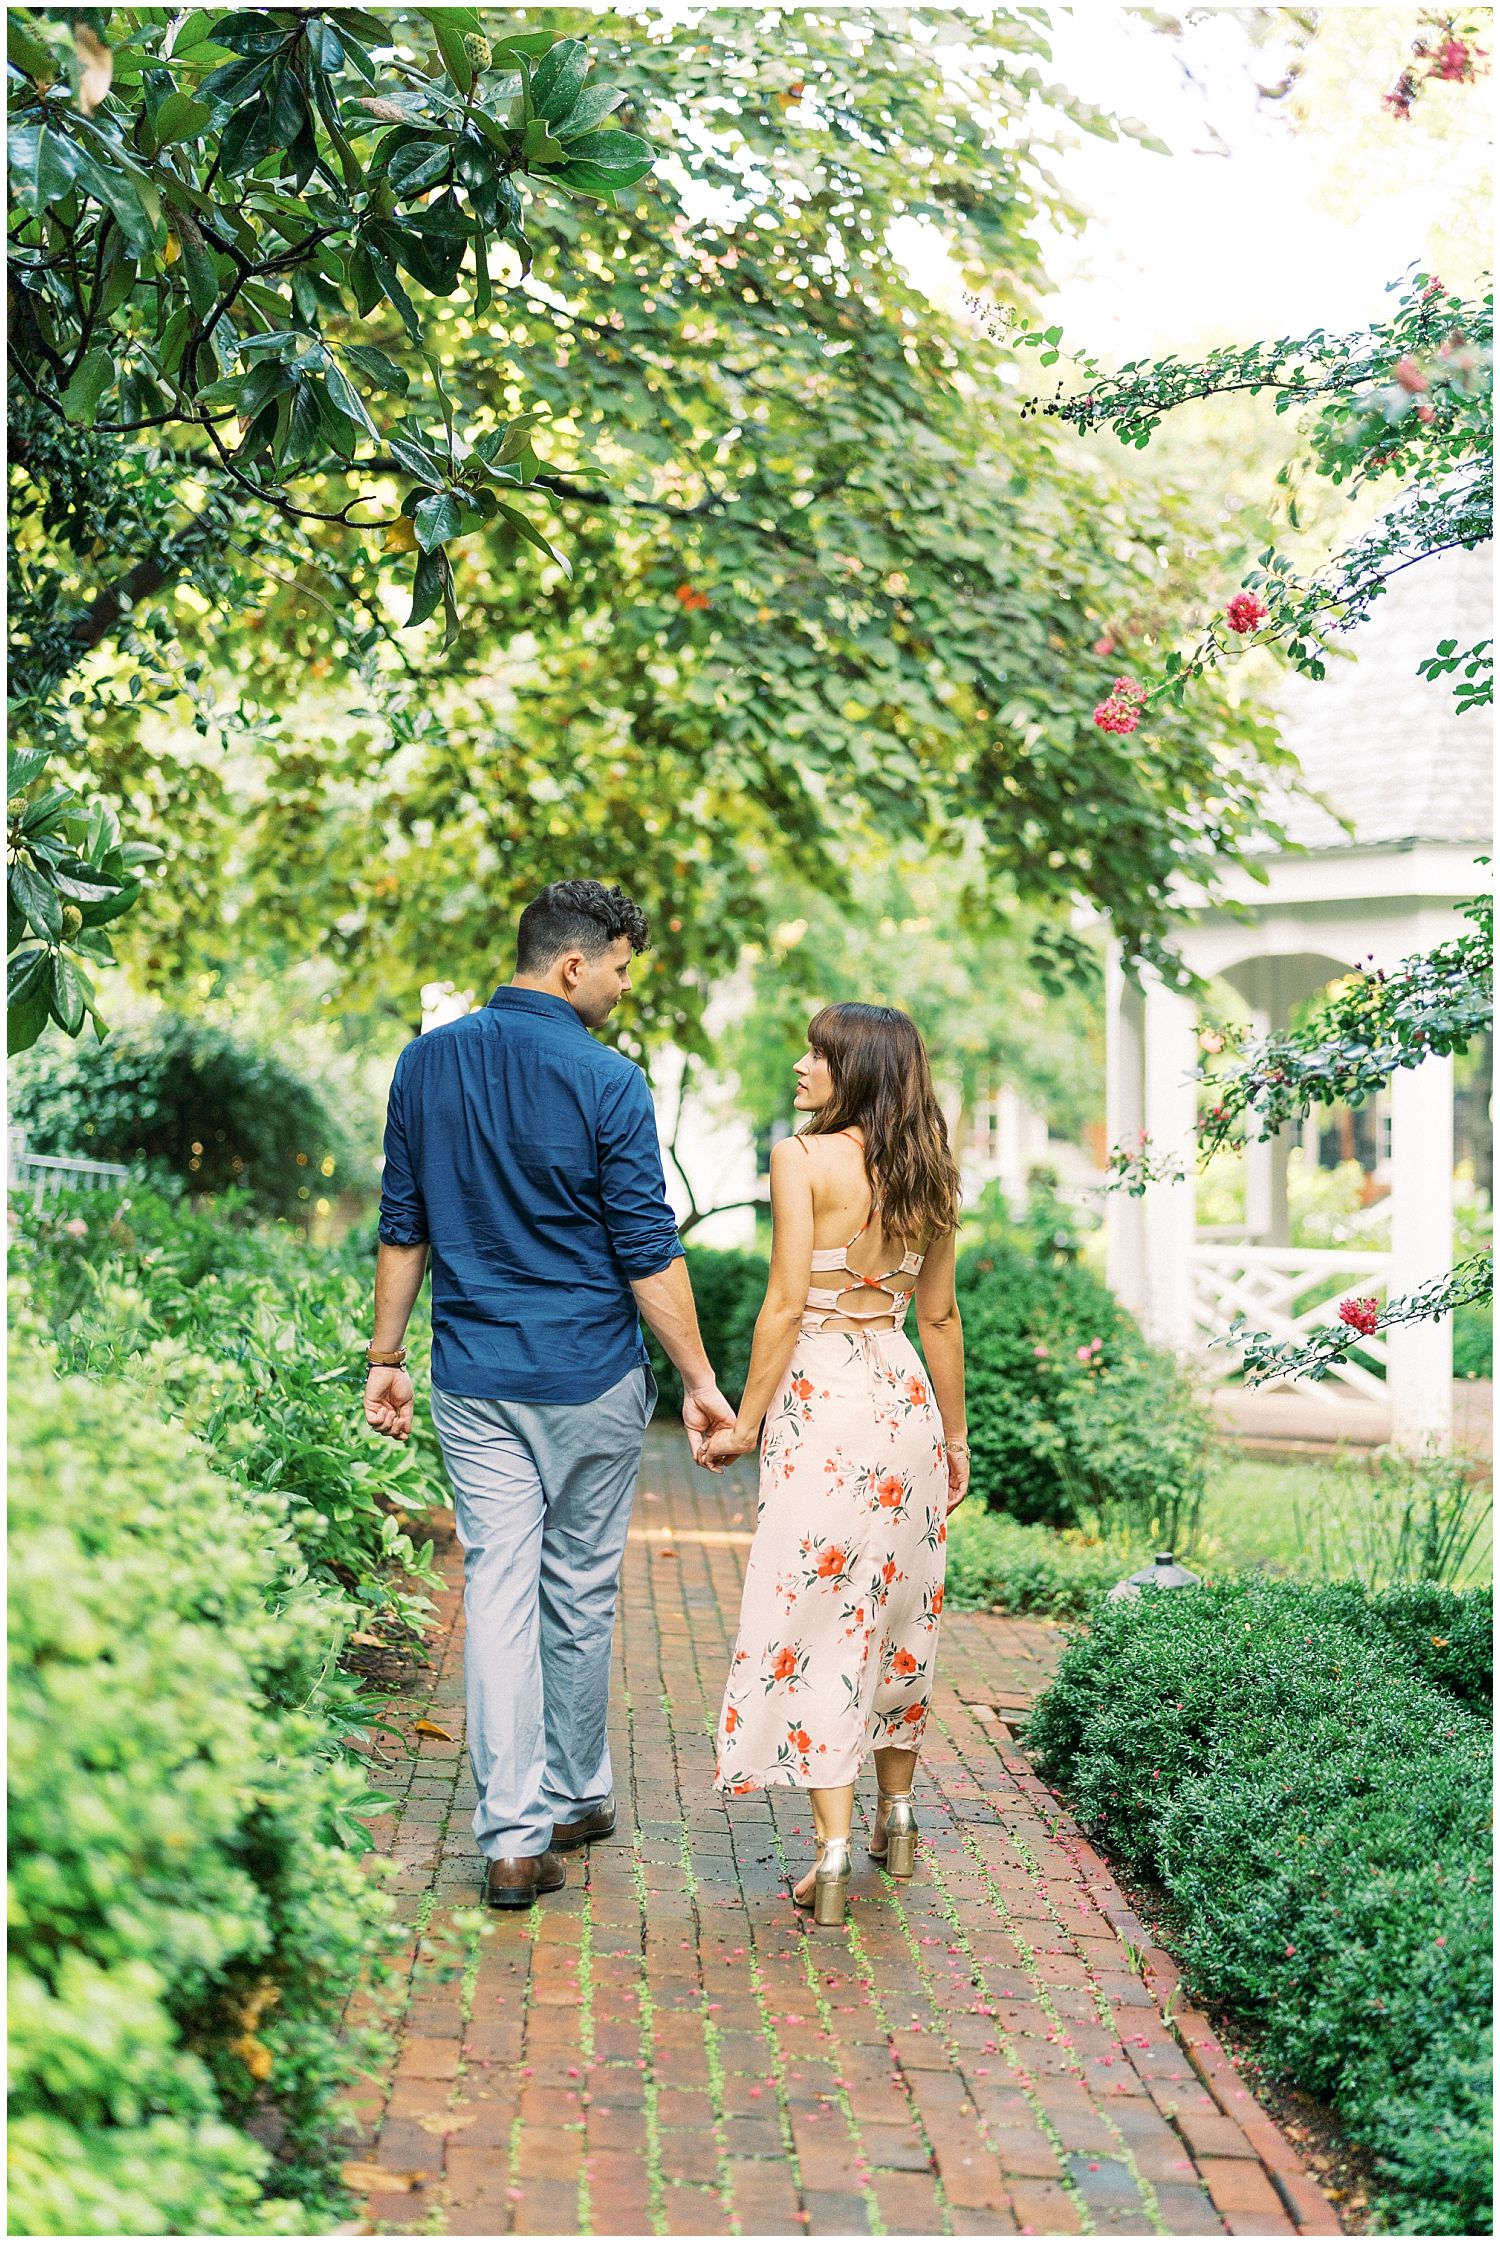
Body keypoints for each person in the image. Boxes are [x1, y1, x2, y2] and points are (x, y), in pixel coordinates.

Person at [363, 879, 734, 1909]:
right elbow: (646, 1251)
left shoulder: (425, 1061)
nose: (621, 986)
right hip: (590, 1377)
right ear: (574, 964)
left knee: (496, 1590)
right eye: (619, 968)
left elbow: (405, 1221)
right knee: (578, 1586)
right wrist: (702, 1382)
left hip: (476, 1378)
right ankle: (575, 1795)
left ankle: (513, 1839)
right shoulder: (608, 1079)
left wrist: (385, 1356)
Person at [704, 1002, 968, 1926]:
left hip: (824, 1402)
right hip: (904, 1405)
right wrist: (958, 1438)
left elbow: (784, 1303)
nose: (802, 1064)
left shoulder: (802, 1159)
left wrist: (743, 1422)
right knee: (900, 1608)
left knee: (819, 1610)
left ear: (856, 1069)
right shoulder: (931, 1173)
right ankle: (897, 1817)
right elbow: (936, 1318)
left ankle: (833, 1846)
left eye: (820, 1053)